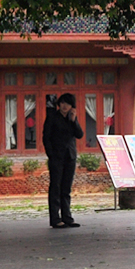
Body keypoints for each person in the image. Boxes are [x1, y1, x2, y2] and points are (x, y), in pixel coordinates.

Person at [43, 93, 83, 228]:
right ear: (59, 104)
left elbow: (79, 134)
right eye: (63, 103)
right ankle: (55, 219)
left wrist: (74, 120)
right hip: (56, 157)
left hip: (70, 156)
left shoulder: (71, 119)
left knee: (66, 188)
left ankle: (67, 217)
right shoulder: (52, 117)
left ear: (72, 106)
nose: (65, 106)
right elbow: (46, 137)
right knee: (56, 188)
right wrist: (51, 155)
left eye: (68, 103)